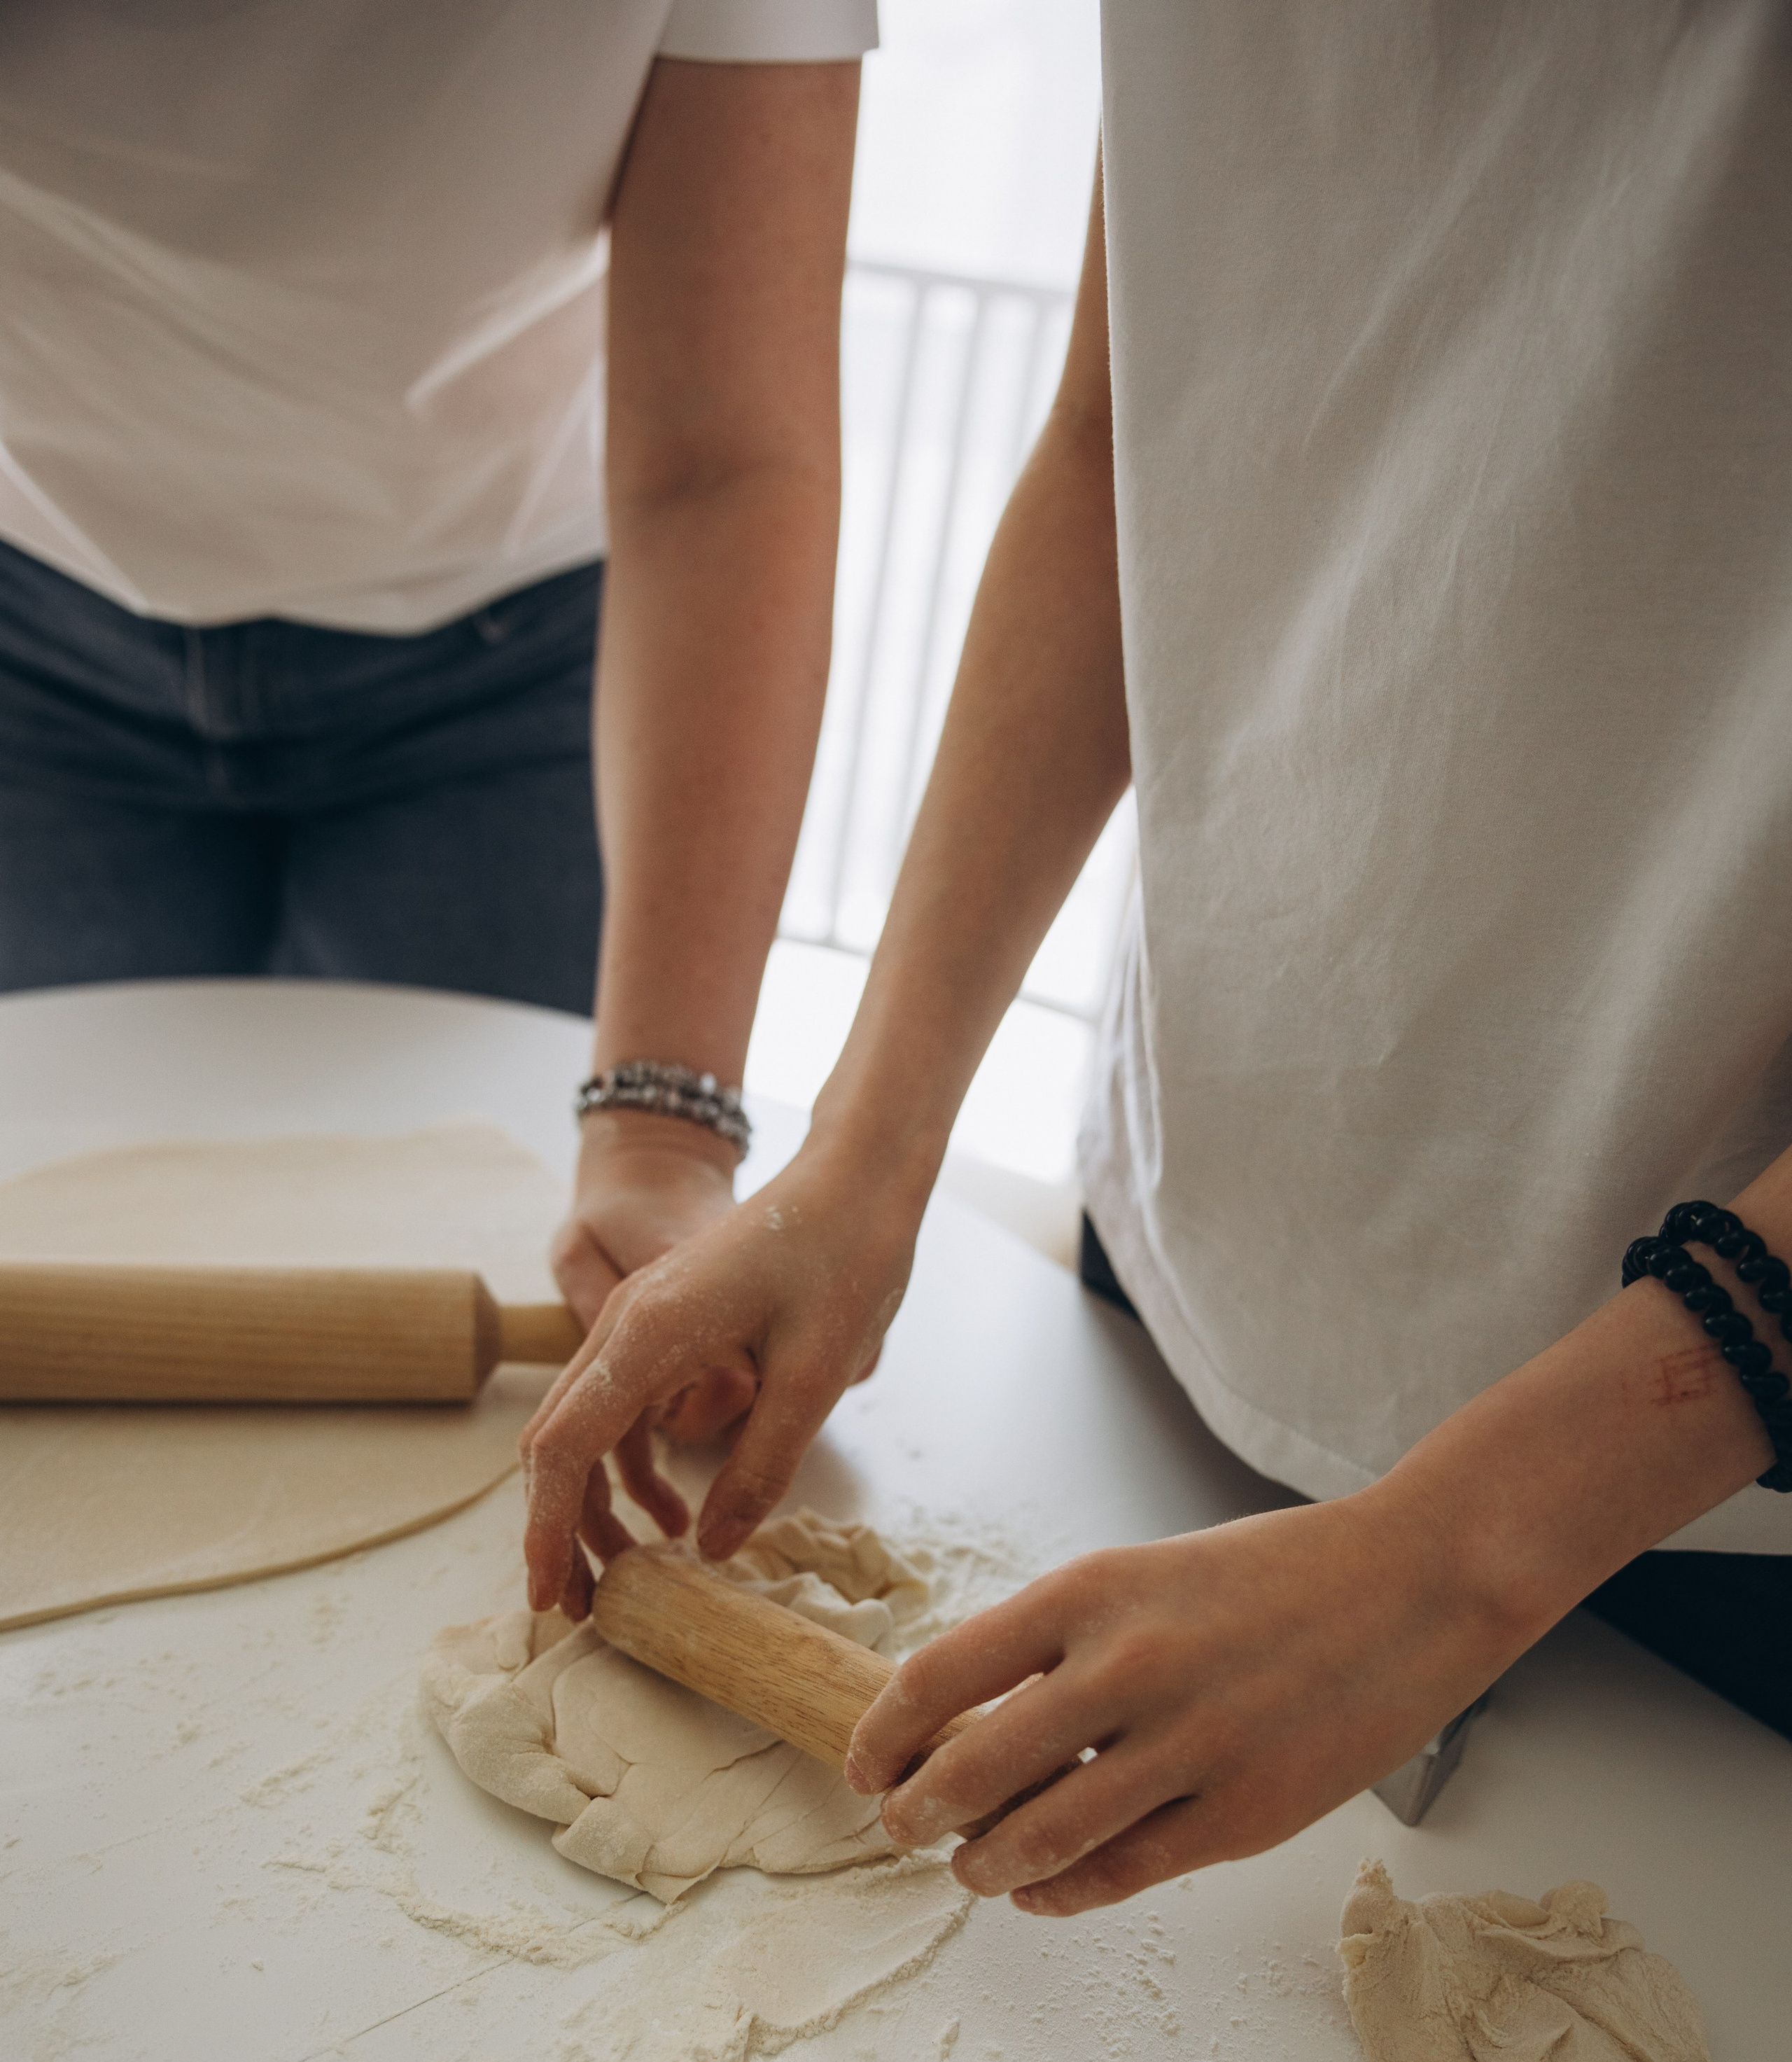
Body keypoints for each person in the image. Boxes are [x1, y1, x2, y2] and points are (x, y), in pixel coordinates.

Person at [520, 2, 1792, 1916]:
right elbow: (1132, 450)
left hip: (1713, 1497)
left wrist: (1456, 1551)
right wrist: (866, 1157)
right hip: (1194, 1275)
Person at [0, 0, 869, 1357]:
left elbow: (721, 461)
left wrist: (660, 1132)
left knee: (540, 1270)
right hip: (31, 622)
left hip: (512, 660)